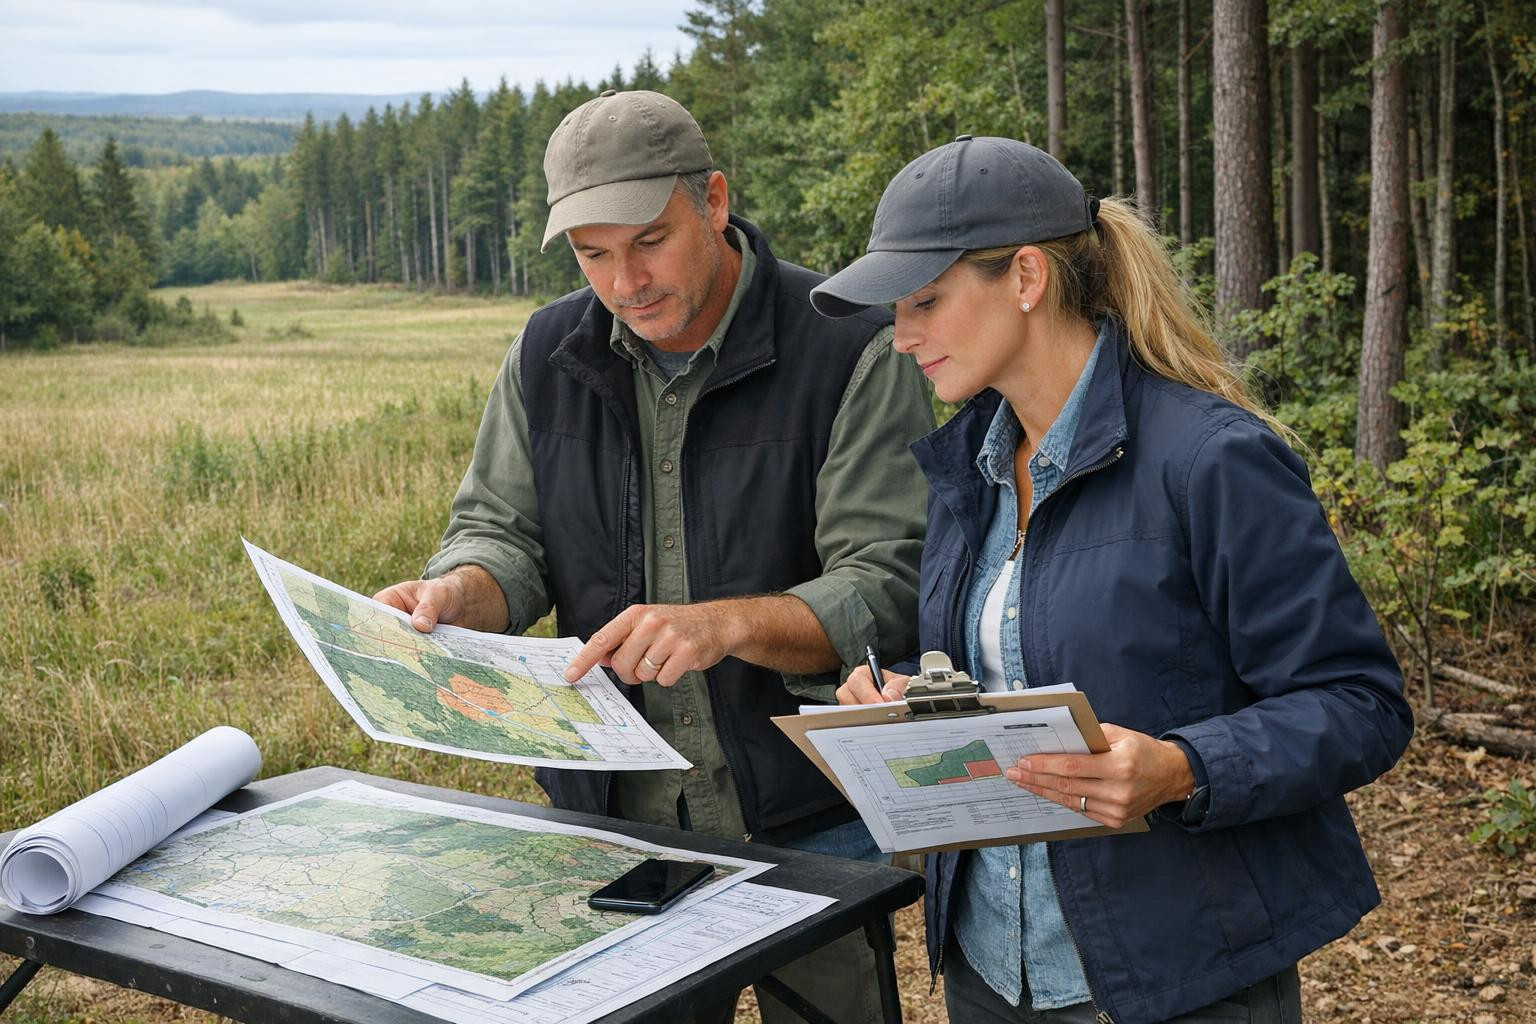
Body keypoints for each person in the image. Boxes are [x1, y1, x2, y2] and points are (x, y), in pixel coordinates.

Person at [810, 136, 1414, 1024]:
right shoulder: (966, 470)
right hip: (990, 971)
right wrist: (917, 702)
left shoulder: (1212, 461)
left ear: (1025, 277)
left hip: (1175, 975)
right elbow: (1027, 664)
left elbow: (1360, 703)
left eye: (926, 301)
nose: (901, 337)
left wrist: (1181, 767)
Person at [375, 89, 935, 1023]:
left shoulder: (848, 346)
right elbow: (501, 536)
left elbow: (890, 582)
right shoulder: (548, 350)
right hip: (609, 823)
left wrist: (728, 625)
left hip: (810, 815)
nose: (625, 280)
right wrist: (457, 592)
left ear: (713, 202)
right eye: (593, 254)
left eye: (648, 241)